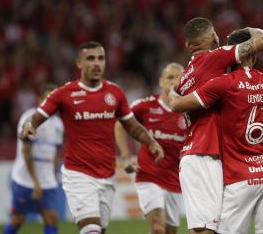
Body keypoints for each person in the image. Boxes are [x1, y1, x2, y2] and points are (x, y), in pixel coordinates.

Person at [20, 41, 164, 234]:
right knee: (91, 229)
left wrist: (151, 142)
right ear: (79, 63)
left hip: (107, 175)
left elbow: (132, 126)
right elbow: (37, 117)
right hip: (77, 174)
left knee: (99, 230)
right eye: (90, 58)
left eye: (100, 58)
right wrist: (30, 126)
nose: (96, 63)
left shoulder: (115, 93)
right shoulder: (64, 94)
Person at [170, 29, 263, 234]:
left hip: (239, 174)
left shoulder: (222, 84)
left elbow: (179, 104)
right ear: (254, 56)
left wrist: (171, 91)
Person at [114, 63, 186, 234]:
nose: (174, 82)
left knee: (169, 231)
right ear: (161, 82)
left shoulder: (189, 110)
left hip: (175, 180)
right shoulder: (145, 106)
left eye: (179, 78)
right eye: (170, 77)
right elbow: (120, 125)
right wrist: (125, 156)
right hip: (149, 176)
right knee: (157, 228)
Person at [3, 84, 63, 234]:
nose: (52, 103)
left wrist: (55, 174)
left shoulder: (58, 123)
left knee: (51, 218)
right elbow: (26, 152)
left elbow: (56, 151)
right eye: (49, 98)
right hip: (26, 179)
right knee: (18, 219)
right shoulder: (29, 118)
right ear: (40, 99)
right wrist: (36, 182)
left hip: (48, 180)